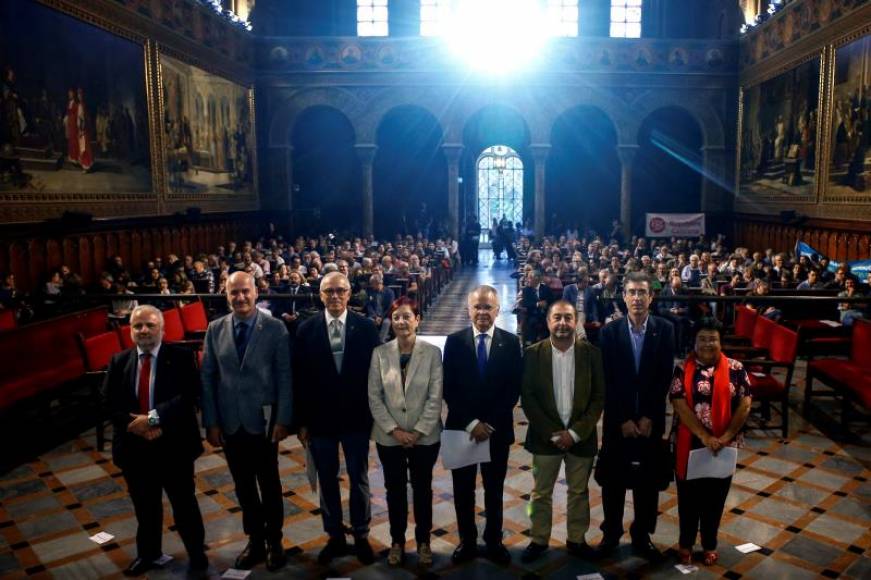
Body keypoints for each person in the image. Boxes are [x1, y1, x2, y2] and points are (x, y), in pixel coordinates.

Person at [105, 305, 207, 577]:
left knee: (184, 505)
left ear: (162, 328)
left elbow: (188, 397)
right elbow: (108, 403)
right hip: (134, 449)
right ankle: (147, 553)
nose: (144, 330)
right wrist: (134, 425)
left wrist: (151, 420)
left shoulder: (182, 357)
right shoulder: (119, 361)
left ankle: (197, 555)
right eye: (137, 326)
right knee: (144, 506)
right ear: (130, 331)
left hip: (173, 446)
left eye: (150, 325)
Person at [201, 272, 292, 572]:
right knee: (243, 486)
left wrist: (283, 418)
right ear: (226, 295)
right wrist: (211, 422)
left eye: (245, 292)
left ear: (256, 292)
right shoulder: (215, 329)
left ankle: (275, 540)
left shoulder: (275, 328)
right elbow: (208, 378)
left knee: (269, 483)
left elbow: (284, 377)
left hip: (264, 422)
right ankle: (255, 539)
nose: (240, 298)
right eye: (233, 293)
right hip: (229, 422)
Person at [293, 271, 380, 565]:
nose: (334, 296)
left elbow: (376, 378)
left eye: (340, 290)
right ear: (320, 295)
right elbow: (300, 379)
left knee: (359, 479)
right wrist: (301, 422)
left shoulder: (367, 328)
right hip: (321, 421)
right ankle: (334, 536)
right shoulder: (305, 330)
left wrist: (374, 418)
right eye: (328, 291)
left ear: (349, 293)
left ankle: (361, 534)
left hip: (357, 419)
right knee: (327, 479)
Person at [597, 272, 676, 561]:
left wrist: (648, 418)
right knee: (613, 481)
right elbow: (607, 380)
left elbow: (663, 377)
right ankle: (611, 534)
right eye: (632, 292)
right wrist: (622, 420)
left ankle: (642, 536)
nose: (637, 298)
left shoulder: (665, 329)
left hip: (650, 421)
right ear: (624, 296)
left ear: (651, 297)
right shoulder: (609, 332)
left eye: (643, 292)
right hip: (618, 421)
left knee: (648, 482)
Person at [443, 285, 523, 565]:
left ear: (497, 310)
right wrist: (472, 422)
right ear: (469, 309)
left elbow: (513, 390)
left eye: (487, 307)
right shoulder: (454, 342)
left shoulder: (511, 343)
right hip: (461, 430)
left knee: (494, 490)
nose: (482, 312)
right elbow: (448, 388)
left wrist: (487, 423)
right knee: (463, 491)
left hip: (496, 430)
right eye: (477, 306)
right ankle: (467, 541)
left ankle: (493, 541)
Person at [520, 301, 605, 563]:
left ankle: (576, 539)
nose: (563, 323)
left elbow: (598, 397)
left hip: (581, 436)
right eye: (557, 318)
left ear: (575, 321)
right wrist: (553, 433)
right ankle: (538, 539)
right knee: (541, 492)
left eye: (568, 318)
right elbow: (528, 397)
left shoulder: (591, 354)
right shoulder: (533, 353)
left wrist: (576, 433)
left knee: (578, 492)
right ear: (548, 322)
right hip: (546, 438)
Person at [367, 297, 443, 567]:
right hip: (389, 437)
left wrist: (419, 431)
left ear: (417, 319)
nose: (401, 321)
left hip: (425, 437)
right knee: (394, 490)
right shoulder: (380, 353)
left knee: (422, 490)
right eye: (396, 316)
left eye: (406, 316)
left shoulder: (432, 353)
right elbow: (374, 397)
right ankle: (397, 541)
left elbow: (436, 397)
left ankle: (424, 541)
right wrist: (395, 430)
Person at [670, 317, 752, 567]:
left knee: (715, 500)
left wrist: (724, 437)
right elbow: (678, 402)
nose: (707, 344)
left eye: (712, 339)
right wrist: (705, 436)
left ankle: (709, 544)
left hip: (723, 447)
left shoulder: (736, 368)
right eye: (702, 338)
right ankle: (685, 543)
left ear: (720, 341)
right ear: (694, 342)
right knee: (688, 499)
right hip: (689, 444)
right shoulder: (683, 368)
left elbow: (745, 403)